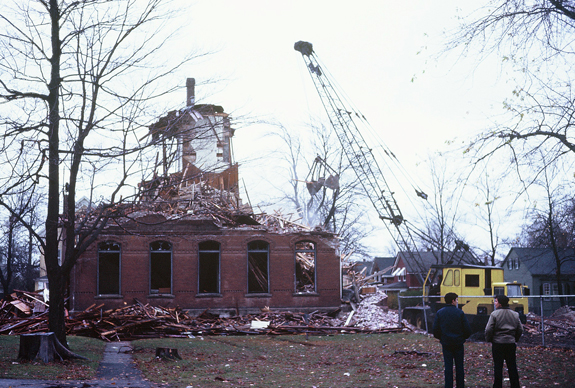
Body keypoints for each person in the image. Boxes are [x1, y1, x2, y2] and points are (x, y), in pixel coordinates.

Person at [433, 292, 472, 388]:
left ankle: (448, 385)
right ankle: (460, 385)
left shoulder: (440, 313)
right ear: (453, 301)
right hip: (458, 343)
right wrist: (463, 338)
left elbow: (435, 329)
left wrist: (442, 338)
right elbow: (467, 329)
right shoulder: (460, 313)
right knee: (459, 367)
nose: (457, 302)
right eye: (457, 300)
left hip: (446, 343)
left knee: (448, 367)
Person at [485, 294, 523, 388]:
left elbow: (488, 329)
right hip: (510, 343)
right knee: (512, 366)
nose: (495, 303)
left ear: (500, 304)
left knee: (498, 366)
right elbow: (520, 329)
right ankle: (515, 385)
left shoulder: (494, 314)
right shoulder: (515, 314)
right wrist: (515, 338)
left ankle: (497, 385)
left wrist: (489, 339)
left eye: (496, 301)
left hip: (498, 343)